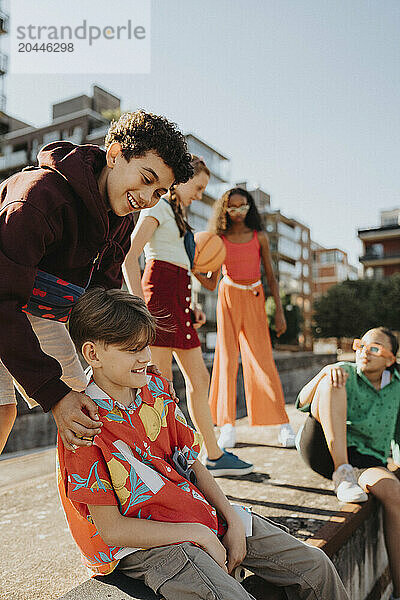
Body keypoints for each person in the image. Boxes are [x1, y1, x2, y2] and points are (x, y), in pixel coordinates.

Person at [57, 287, 349, 600]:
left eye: (146, 346)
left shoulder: (155, 385)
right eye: (132, 350)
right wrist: (199, 534)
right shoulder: (81, 422)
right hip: (145, 543)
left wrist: (232, 519)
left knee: (317, 567)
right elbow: (113, 530)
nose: (145, 357)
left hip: (197, 514)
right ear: (93, 354)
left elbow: (189, 461)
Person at [0, 110, 193, 454]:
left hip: (32, 306)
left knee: (89, 401)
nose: (147, 198)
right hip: (3, 301)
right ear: (116, 154)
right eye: (146, 178)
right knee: (3, 410)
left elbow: (102, 305)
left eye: (160, 192)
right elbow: (3, 304)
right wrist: (54, 395)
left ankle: (99, 499)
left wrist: (139, 363)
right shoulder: (38, 198)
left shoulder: (119, 219)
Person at [123, 159, 253, 476]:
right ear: (181, 180)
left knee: (199, 380)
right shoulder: (157, 208)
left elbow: (182, 268)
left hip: (178, 305)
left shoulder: (179, 218)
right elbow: (130, 255)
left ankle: (213, 453)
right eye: (197, 188)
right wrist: (140, 308)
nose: (199, 195)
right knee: (161, 387)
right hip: (158, 305)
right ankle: (165, 459)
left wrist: (191, 304)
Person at [296, 327, 400, 600]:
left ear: (391, 359)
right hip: (324, 448)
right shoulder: (343, 369)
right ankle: (342, 473)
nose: (365, 352)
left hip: (367, 460)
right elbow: (301, 402)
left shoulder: (399, 387)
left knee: (393, 491)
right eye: (361, 345)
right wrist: (323, 373)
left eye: (374, 348)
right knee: (333, 379)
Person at [195, 187, 296, 449]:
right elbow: (211, 283)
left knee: (263, 359)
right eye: (233, 207)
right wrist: (192, 267)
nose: (238, 212)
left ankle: (283, 424)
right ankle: (227, 425)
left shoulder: (259, 236)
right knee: (226, 361)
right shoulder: (220, 238)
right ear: (224, 210)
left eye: (243, 207)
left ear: (249, 207)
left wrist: (280, 313)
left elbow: (271, 277)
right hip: (228, 296)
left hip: (255, 296)